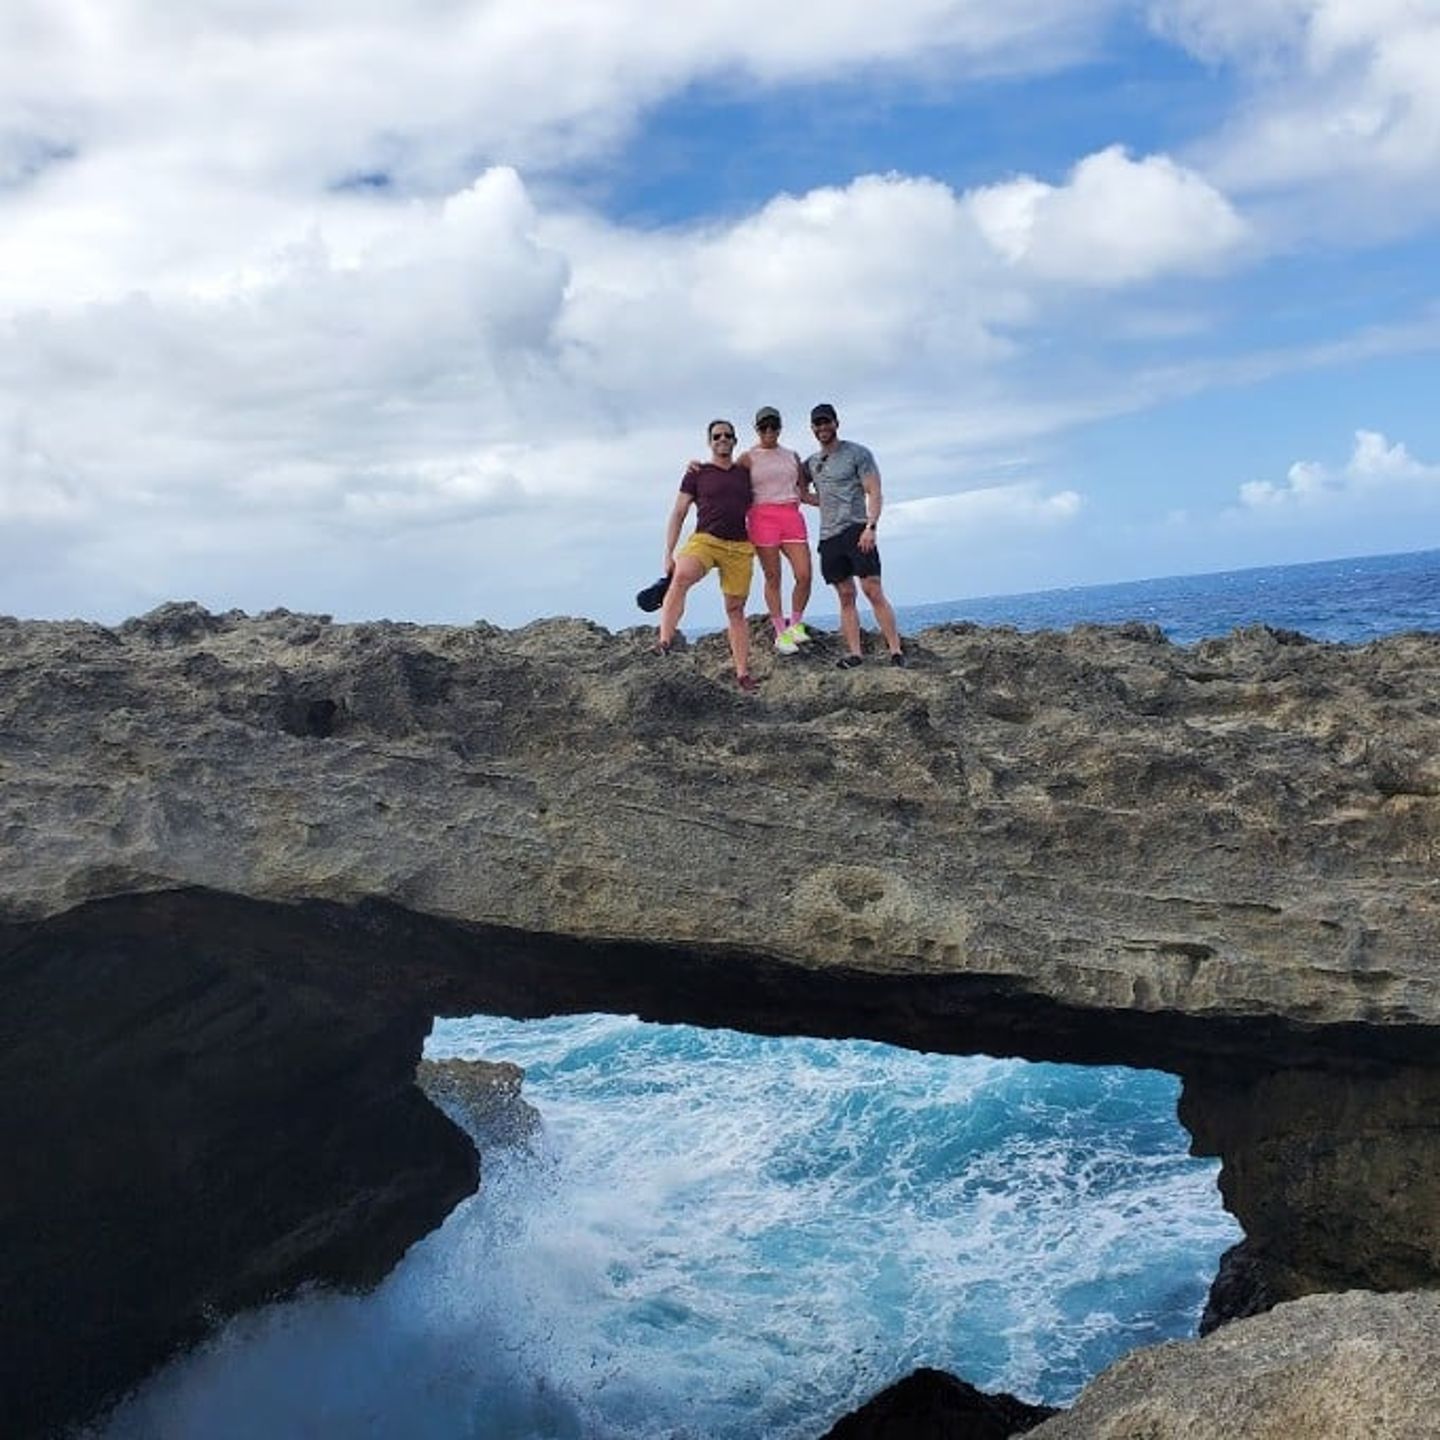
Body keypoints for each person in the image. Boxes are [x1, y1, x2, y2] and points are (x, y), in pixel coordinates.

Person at [657, 418, 759, 692]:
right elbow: (679, 513)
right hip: (706, 540)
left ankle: (742, 673)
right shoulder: (697, 473)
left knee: (735, 609)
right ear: (709, 442)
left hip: (739, 546)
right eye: (716, 436)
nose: (722, 439)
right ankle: (664, 642)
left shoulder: (744, 472)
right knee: (681, 575)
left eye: (727, 435)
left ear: (735, 441)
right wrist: (668, 553)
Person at [802, 402, 906, 668]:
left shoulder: (858, 453)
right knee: (845, 595)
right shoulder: (812, 463)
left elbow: (874, 491)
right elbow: (796, 489)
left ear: (836, 423)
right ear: (812, 428)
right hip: (829, 537)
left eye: (827, 422)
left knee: (872, 589)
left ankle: (895, 650)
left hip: (857, 529)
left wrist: (871, 527)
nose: (823, 427)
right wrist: (822, 501)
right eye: (818, 423)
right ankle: (855, 654)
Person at [744, 406, 813, 655]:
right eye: (764, 427)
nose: (769, 431)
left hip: (791, 515)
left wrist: (835, 499)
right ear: (756, 429)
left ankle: (795, 626)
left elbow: (803, 492)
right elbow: (731, 486)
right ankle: (780, 633)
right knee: (773, 577)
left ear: (780, 427)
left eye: (774, 426)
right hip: (762, 517)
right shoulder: (748, 457)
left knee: (804, 574)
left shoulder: (792, 456)